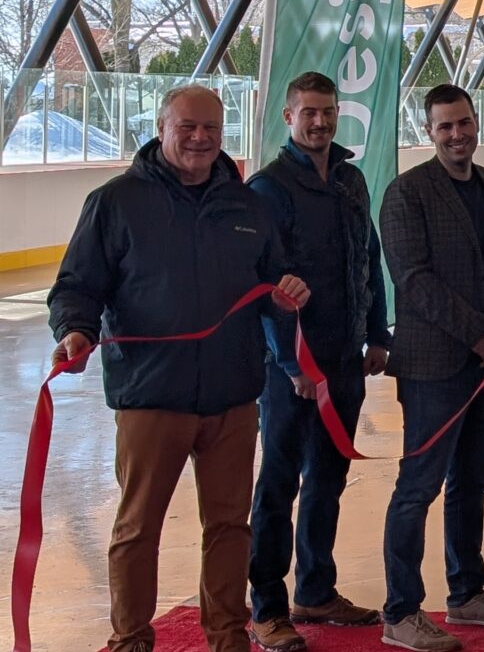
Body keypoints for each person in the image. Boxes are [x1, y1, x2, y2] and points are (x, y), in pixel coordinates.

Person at [48, 84, 311, 652]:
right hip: (150, 393)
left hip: (233, 395)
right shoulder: (116, 202)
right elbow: (77, 286)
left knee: (228, 526)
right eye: (187, 127)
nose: (199, 138)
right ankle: (132, 637)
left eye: (211, 129)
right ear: (161, 127)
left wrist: (284, 292)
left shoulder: (247, 205)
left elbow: (272, 279)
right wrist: (75, 330)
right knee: (138, 528)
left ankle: (225, 635)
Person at [246, 72, 391, 651]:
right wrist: (290, 365)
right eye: (308, 112)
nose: (320, 122)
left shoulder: (353, 180)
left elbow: (368, 256)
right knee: (279, 486)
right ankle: (268, 608)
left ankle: (316, 589)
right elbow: (266, 287)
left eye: (328, 111)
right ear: (288, 117)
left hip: (346, 359)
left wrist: (377, 332)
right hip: (293, 371)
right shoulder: (268, 189)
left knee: (329, 479)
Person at [378, 84, 484, 652]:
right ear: (428, 131)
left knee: (472, 485)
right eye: (444, 127)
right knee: (418, 488)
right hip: (436, 365)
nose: (456, 134)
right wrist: (483, 337)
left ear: (475, 122)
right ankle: (401, 612)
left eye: (463, 123)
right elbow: (413, 282)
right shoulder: (407, 193)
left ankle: (466, 592)